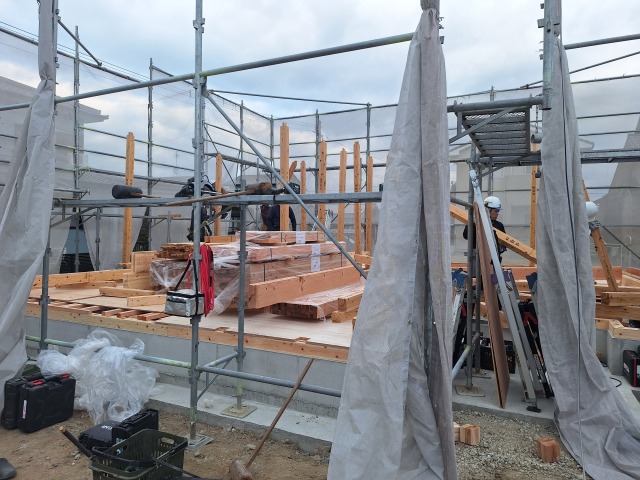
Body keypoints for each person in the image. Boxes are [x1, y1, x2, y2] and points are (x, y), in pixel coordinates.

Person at [463, 195, 507, 262]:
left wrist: (499, 248)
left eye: (498, 211)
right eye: (496, 211)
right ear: (488, 210)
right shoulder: (476, 222)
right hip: (477, 259)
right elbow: (466, 236)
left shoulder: (499, 225)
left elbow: (504, 242)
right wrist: (474, 223)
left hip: (493, 261)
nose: (497, 213)